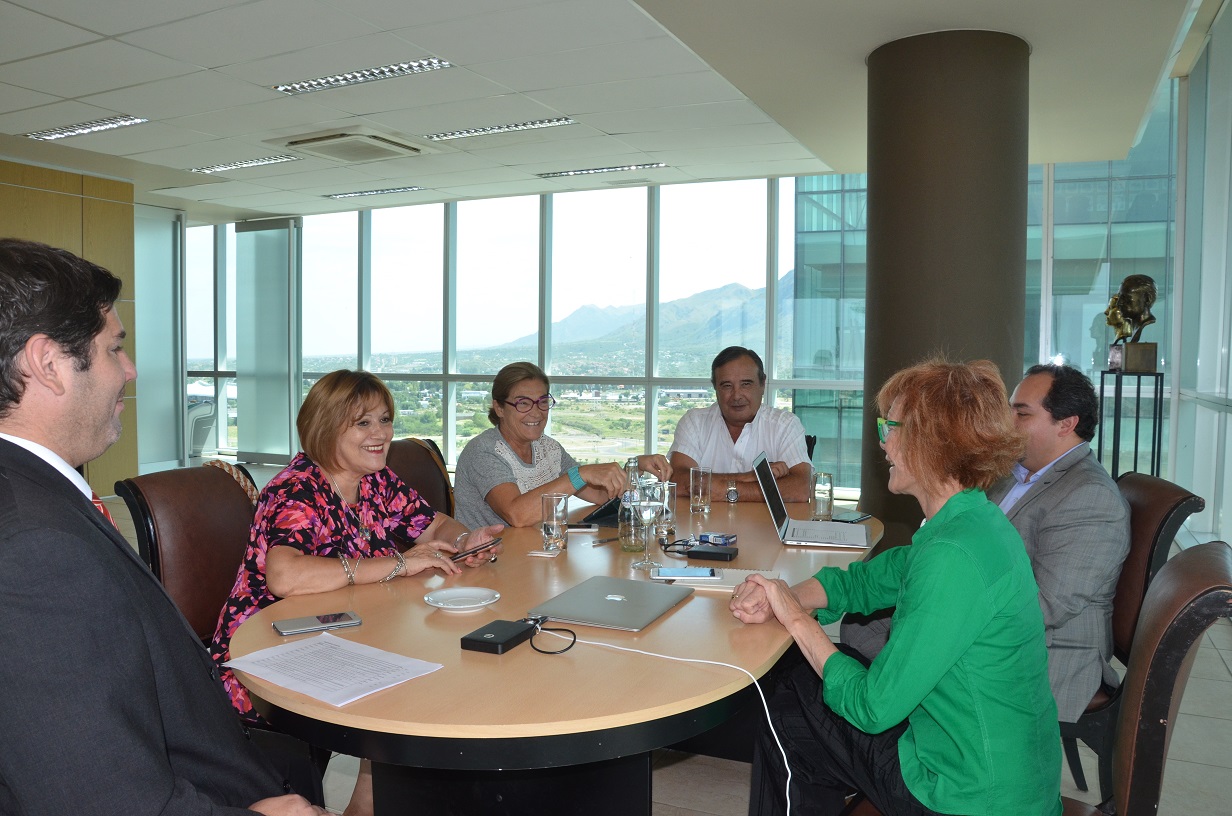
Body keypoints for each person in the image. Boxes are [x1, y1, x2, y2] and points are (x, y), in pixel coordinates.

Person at [0, 238, 323, 815]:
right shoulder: (35, 550)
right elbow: (98, 797)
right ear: (48, 364)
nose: (130, 369)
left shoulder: (34, 499)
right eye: (112, 348)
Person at [731, 359, 1061, 816]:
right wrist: (785, 595)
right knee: (799, 705)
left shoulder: (953, 555)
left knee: (786, 700)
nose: (882, 440)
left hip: (965, 796)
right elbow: (873, 579)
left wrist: (793, 617)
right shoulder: (972, 520)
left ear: (932, 442)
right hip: (997, 774)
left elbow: (873, 708)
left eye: (891, 426)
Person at [209, 369, 503, 816]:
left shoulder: (374, 481)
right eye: (363, 423)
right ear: (327, 427)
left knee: (427, 666)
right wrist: (401, 563)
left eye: (384, 420)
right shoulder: (297, 490)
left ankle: (374, 802)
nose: (380, 434)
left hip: (343, 638)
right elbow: (285, 577)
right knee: (413, 686)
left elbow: (435, 522)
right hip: (270, 656)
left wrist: (464, 543)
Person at [987, 364, 1130, 723]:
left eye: (1021, 413)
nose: (1007, 422)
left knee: (886, 644)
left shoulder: (1090, 496)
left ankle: (892, 765)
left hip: (1049, 655)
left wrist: (947, 609)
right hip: (1004, 626)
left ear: (1066, 424)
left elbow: (1045, 606)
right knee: (866, 624)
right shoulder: (1016, 474)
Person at [454, 361, 672, 528]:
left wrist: (634, 467)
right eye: (523, 403)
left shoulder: (548, 448)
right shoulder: (483, 451)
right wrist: (579, 474)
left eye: (542, 402)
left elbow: (600, 496)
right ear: (499, 408)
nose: (536, 412)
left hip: (532, 554)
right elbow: (517, 514)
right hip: (485, 566)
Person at [668, 347, 810, 502]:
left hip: (763, 526)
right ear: (715, 387)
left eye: (746, 384)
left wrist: (724, 490)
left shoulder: (785, 425)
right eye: (727, 386)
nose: (736, 395)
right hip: (705, 525)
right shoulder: (694, 422)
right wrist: (752, 477)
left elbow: (801, 488)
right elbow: (678, 483)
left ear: (762, 384)